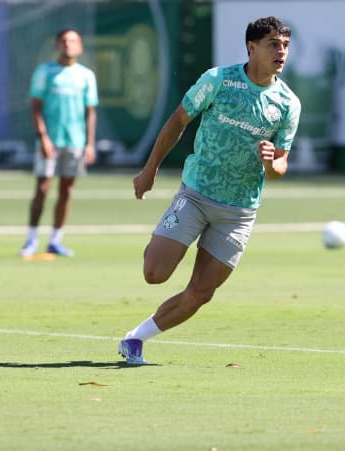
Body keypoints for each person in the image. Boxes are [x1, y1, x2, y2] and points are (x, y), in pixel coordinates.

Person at [118, 16, 300, 365]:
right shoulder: (218, 80)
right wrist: (150, 169)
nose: (281, 52)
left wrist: (269, 163)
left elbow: (280, 167)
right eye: (273, 44)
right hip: (196, 195)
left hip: (239, 212)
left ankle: (136, 338)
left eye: (285, 46)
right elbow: (177, 121)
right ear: (252, 47)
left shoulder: (288, 103)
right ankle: (172, 236)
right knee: (154, 274)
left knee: (201, 292)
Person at [18, 28, 98, 258]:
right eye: (64, 41)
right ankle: (31, 239)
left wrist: (90, 143)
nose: (68, 45)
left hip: (75, 142)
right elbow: (35, 107)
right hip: (50, 142)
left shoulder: (86, 76)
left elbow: (90, 112)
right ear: (57, 46)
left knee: (66, 190)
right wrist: (42, 136)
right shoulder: (45, 72)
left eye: (73, 41)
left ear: (80, 47)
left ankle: (55, 240)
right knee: (42, 188)